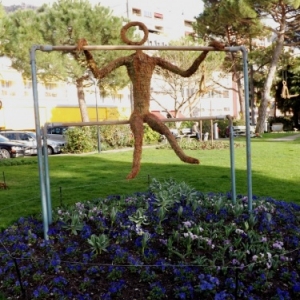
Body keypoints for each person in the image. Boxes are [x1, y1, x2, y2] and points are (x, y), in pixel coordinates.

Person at [77, 22, 224, 179]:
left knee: (166, 131)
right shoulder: (129, 60)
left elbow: (186, 72)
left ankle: (183, 156)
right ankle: (135, 168)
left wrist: (205, 51)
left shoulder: (152, 61)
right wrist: (86, 52)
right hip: (138, 113)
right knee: (138, 137)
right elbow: (99, 73)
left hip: (146, 112)